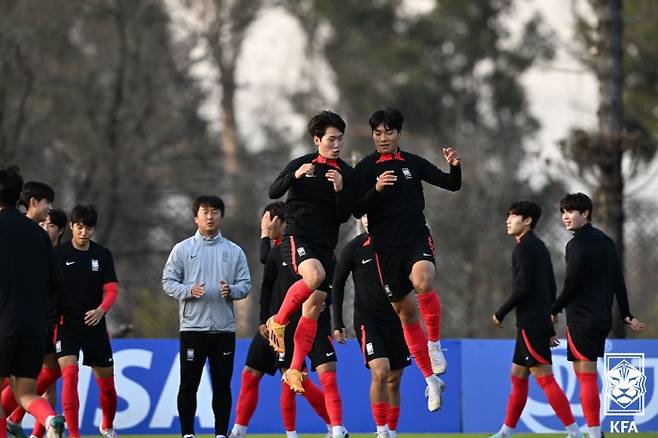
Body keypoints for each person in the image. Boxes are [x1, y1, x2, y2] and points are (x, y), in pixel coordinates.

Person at [353, 107, 460, 411]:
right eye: (377, 133)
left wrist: (455, 167)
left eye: (389, 132)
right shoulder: (365, 168)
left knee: (424, 280)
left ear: (399, 133)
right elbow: (355, 209)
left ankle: (435, 344)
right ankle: (431, 381)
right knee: (405, 315)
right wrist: (375, 189)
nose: (383, 138)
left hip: (415, 239)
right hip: (385, 252)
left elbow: (451, 184)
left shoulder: (412, 163)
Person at [265, 110, 355, 406]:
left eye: (340, 138)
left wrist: (341, 188)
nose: (337, 144)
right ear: (317, 140)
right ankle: (278, 322)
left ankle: (293, 369)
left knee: (314, 308)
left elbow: (345, 215)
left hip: (326, 246)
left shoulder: (344, 171)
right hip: (298, 238)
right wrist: (294, 175)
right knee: (313, 277)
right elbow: (274, 190)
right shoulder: (301, 164)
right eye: (331, 139)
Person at [230, 203, 333, 438]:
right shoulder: (278, 251)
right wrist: (261, 320)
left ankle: (331, 424)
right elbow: (266, 285)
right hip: (269, 325)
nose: (265, 225)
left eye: (267, 221)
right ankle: (238, 430)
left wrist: (264, 233)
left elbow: (325, 284)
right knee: (250, 373)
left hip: (292, 328)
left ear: (277, 221)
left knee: (295, 382)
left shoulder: (306, 253)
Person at [551, 193, 645, 438]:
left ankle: (593, 432)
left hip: (582, 318)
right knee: (583, 373)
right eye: (563, 212)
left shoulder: (576, 245)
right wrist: (626, 314)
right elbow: (618, 281)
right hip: (602, 319)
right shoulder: (606, 241)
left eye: (571, 212)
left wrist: (552, 309)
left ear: (586, 214)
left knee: (586, 375)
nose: (565, 217)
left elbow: (571, 286)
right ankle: (594, 431)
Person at [490, 201, 582, 438]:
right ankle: (506, 432)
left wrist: (501, 312)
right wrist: (549, 322)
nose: (508, 221)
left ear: (528, 221)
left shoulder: (523, 248)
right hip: (534, 323)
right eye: (508, 216)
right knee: (518, 376)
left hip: (530, 323)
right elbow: (550, 286)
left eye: (513, 216)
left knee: (545, 379)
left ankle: (574, 432)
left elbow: (523, 289)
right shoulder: (538, 246)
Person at [163, 195, 251, 438]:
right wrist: (188, 291)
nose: (210, 216)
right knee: (189, 384)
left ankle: (221, 433)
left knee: (222, 385)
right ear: (195, 217)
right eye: (205, 212)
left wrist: (231, 291)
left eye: (214, 212)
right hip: (193, 328)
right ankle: (188, 434)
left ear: (221, 216)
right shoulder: (182, 249)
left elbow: (245, 284)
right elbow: (168, 282)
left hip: (224, 329)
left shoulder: (234, 251)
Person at [0, 165, 65, 438]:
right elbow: (56, 282)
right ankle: (50, 420)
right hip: (35, 325)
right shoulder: (39, 235)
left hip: (3, 322)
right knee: (25, 392)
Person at [332, 215, 410, 438]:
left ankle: (392, 431)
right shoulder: (354, 248)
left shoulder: (398, 244)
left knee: (394, 380)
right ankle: (381, 430)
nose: (368, 219)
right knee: (380, 371)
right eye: (364, 215)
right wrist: (337, 322)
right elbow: (338, 284)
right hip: (368, 322)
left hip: (397, 321)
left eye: (372, 213)